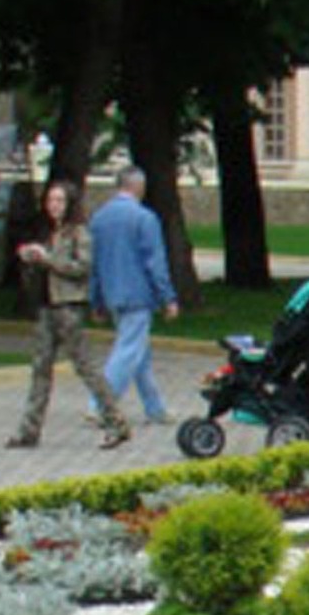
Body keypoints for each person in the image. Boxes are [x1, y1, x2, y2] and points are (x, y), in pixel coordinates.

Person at [10, 181, 127, 450]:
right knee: (40, 368)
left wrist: (48, 259)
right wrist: (30, 257)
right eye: (50, 200)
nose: (53, 206)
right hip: (46, 304)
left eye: (59, 200)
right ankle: (29, 429)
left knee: (85, 366)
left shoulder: (79, 233)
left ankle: (116, 422)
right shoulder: (50, 231)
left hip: (68, 306)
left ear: (70, 203)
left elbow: (82, 267)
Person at [86, 166, 180, 427]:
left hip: (112, 294)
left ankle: (155, 408)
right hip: (138, 295)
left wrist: (96, 300)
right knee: (127, 351)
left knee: (139, 354)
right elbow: (155, 263)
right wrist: (168, 297)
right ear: (139, 187)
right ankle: (100, 404)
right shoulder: (144, 218)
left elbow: (94, 264)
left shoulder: (99, 218)